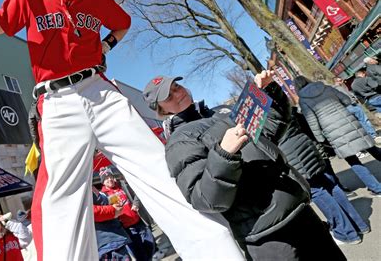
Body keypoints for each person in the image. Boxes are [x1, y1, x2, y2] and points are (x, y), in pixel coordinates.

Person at [0, 0, 243, 260]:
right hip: (57, 99)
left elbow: (123, 23)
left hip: (99, 90)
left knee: (156, 167)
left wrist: (107, 44)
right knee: (61, 200)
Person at [143, 72, 346, 260]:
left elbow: (272, 130)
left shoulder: (221, 114)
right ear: (161, 109)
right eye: (168, 96)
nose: (177, 93)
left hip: (298, 210)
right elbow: (205, 199)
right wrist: (224, 154)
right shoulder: (180, 142)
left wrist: (270, 92)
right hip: (267, 234)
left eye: (177, 86)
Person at [279, 107, 369, 244]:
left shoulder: (260, 124)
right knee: (331, 185)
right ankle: (359, 225)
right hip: (309, 148)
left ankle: (346, 233)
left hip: (293, 158)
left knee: (317, 192)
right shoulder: (284, 107)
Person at [294, 75, 381, 197]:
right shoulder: (326, 88)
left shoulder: (303, 100)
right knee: (372, 148)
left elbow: (312, 121)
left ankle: (376, 188)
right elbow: (346, 100)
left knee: (353, 161)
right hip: (349, 122)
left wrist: (320, 138)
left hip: (333, 132)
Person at [99, 167, 155, 261]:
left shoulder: (122, 185)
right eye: (106, 178)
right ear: (103, 182)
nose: (109, 179)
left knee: (151, 243)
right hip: (127, 229)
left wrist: (136, 204)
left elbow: (137, 192)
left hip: (139, 221)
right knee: (139, 253)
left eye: (110, 176)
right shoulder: (103, 195)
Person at [92, 186, 134, 260]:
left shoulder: (89, 187)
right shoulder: (80, 189)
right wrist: (113, 210)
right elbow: (90, 211)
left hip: (114, 238)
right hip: (106, 242)